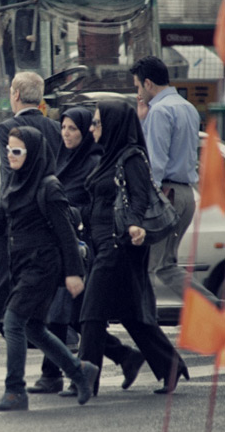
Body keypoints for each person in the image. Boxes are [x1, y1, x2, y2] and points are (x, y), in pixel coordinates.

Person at [32, 108, 145, 396]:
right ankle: (123, 356)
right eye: (64, 127)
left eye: (73, 128)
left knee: (62, 313)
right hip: (61, 244)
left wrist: (65, 211)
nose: (66, 133)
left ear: (85, 132)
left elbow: (95, 207)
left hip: (84, 248)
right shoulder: (62, 159)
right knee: (75, 315)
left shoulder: (94, 161)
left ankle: (56, 374)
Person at [79, 101, 189, 395]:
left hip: (120, 246)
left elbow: (139, 197)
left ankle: (86, 378)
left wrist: (135, 225)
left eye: (97, 123)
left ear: (113, 125)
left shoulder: (131, 158)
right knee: (130, 314)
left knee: (91, 312)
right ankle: (170, 366)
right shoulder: (106, 157)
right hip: (103, 244)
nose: (92, 129)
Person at [0, 126, 98, 411]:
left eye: (16, 151)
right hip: (22, 265)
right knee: (34, 328)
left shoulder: (49, 186)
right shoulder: (15, 181)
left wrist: (74, 273)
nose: (10, 156)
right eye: (8, 150)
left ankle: (15, 391)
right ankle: (78, 370)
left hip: (42, 266)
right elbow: (0, 219)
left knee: (12, 322)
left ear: (32, 153)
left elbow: (66, 233)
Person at [0, 71, 61, 354]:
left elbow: (9, 176)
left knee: (2, 274)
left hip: (17, 213)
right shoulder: (55, 128)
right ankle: (51, 332)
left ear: (15, 95)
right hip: (46, 210)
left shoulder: (8, 128)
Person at [132, 56, 218, 304]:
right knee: (164, 264)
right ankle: (212, 309)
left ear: (148, 83)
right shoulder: (186, 106)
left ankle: (212, 310)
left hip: (166, 194)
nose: (138, 92)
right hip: (185, 193)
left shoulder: (160, 110)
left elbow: (156, 163)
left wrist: (147, 201)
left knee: (155, 266)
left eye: (138, 86)